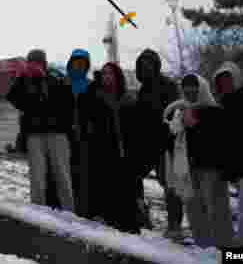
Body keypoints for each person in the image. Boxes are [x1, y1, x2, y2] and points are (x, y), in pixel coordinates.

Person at [188, 62, 243, 247]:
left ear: (237, 79)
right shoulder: (224, 106)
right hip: (241, 171)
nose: (225, 85)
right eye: (221, 82)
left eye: (228, 80)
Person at [164, 73, 232, 247]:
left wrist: (195, 125)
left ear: (202, 87)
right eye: (186, 87)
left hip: (211, 170)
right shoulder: (179, 113)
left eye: (193, 86)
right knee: (194, 211)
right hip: (188, 169)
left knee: (216, 211)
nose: (189, 90)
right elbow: (172, 140)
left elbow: (219, 142)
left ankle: (225, 249)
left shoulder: (215, 111)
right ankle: (203, 249)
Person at [6, 49, 75, 211]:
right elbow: (13, 98)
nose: (33, 65)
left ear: (43, 63)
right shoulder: (24, 81)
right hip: (34, 135)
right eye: (30, 62)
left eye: (36, 62)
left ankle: (70, 212)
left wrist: (44, 79)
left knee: (62, 176)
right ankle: (38, 212)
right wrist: (22, 78)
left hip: (58, 134)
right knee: (37, 178)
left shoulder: (56, 78)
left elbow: (67, 103)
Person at [80, 62, 144, 233]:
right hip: (102, 152)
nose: (107, 77)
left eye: (110, 73)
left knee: (125, 192)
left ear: (117, 76)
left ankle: (129, 226)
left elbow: (136, 129)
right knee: (104, 188)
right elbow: (84, 117)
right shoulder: (94, 96)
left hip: (125, 153)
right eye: (104, 73)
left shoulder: (128, 99)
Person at [134, 48, 182, 234]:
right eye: (142, 64)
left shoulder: (168, 85)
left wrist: (168, 134)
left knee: (170, 186)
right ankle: (141, 215)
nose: (145, 67)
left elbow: (174, 113)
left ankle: (174, 225)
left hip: (165, 144)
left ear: (155, 65)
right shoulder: (143, 89)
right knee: (134, 176)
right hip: (146, 144)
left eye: (149, 63)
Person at [65, 49, 92, 216]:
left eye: (83, 63)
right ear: (71, 63)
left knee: (83, 172)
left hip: (84, 135)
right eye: (76, 62)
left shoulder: (90, 86)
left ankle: (83, 208)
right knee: (65, 172)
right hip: (64, 134)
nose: (79, 66)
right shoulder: (63, 83)